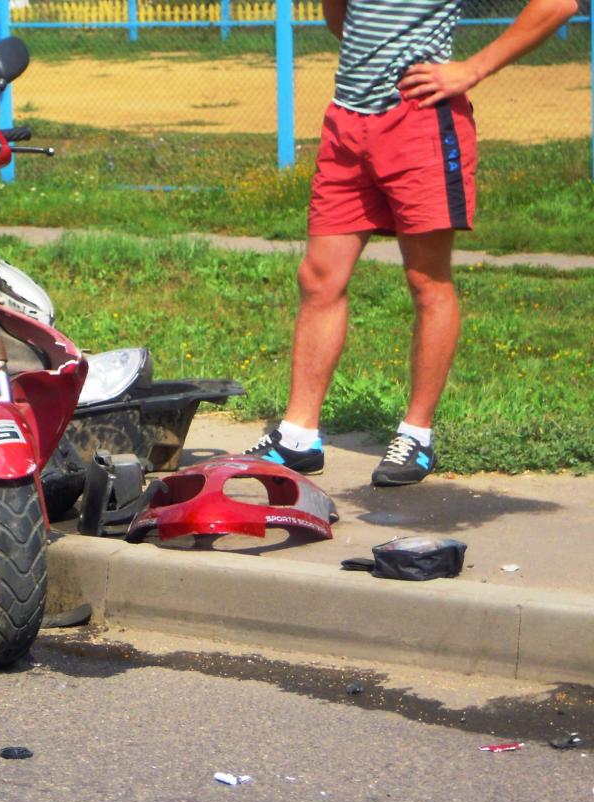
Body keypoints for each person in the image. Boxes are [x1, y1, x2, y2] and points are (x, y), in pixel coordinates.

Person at [248, 0, 579, 487]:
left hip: (421, 120)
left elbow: (558, 4)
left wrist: (472, 68)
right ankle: (297, 436)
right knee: (318, 276)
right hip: (347, 119)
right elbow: (341, 22)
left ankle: (416, 434)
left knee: (426, 279)